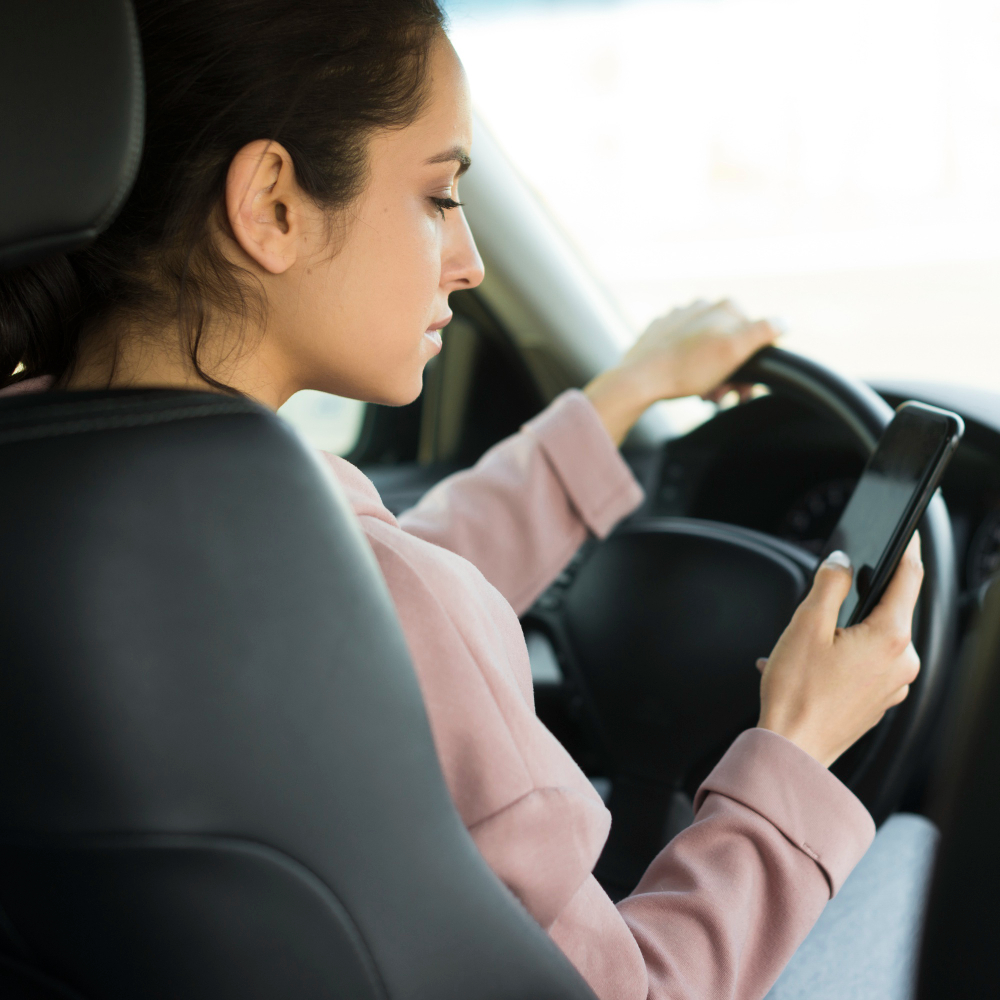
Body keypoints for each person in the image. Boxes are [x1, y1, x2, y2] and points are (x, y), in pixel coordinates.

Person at [0, 2, 933, 997]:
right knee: (913, 858)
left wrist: (616, 398)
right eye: (440, 195)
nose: (470, 260)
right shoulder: (391, 596)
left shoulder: (60, 500)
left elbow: (367, 605)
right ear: (273, 202)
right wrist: (797, 743)